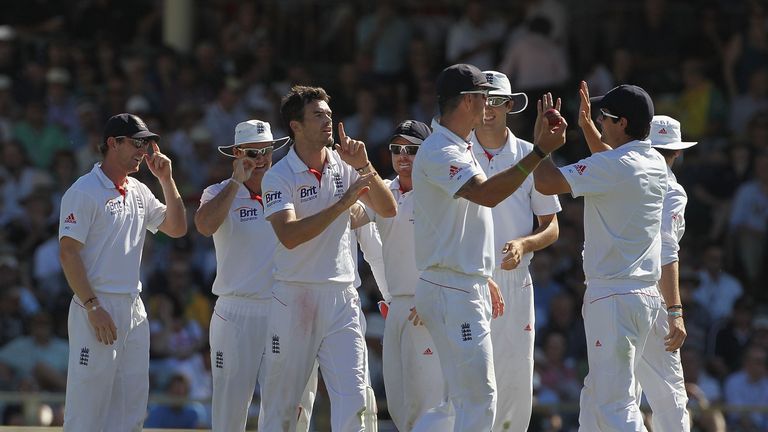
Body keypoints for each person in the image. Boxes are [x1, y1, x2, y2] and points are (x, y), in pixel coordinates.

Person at [410, 63, 566, 431]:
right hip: (455, 286)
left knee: (476, 398)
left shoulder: (454, 146)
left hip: (469, 282)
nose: (489, 106)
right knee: (476, 399)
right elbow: (487, 195)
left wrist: (484, 276)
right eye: (484, 96)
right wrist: (539, 151)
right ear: (468, 101)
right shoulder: (442, 151)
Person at [258, 85, 397, 432]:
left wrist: (364, 165)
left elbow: (387, 208)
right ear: (296, 126)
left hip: (342, 297)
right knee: (283, 407)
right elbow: (289, 236)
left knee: (355, 399)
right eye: (318, 115)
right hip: (294, 296)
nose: (328, 121)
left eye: (329, 115)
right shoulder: (278, 175)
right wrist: (343, 203)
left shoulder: (345, 164)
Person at [534, 82, 668, 430]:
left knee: (614, 405)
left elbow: (546, 183)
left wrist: (540, 147)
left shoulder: (614, 167)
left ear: (621, 123)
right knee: (596, 397)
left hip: (613, 298)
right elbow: (609, 161)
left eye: (604, 118)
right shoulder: (652, 159)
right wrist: (587, 127)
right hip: (642, 298)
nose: (601, 122)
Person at [58, 113, 187, 431]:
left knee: (131, 410)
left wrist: (167, 181)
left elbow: (177, 227)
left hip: (133, 307)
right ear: (112, 144)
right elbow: (68, 252)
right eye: (137, 142)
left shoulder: (140, 190)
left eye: (146, 143)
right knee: (87, 408)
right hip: (96, 306)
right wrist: (92, 306)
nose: (144, 150)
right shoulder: (84, 190)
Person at [576, 105, 695, 430]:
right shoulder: (667, 187)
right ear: (673, 153)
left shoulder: (629, 173)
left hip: (611, 295)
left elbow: (611, 162)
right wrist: (674, 310)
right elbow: (667, 251)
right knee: (665, 396)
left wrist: (586, 128)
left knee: (605, 392)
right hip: (647, 298)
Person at [194, 119, 314, 432]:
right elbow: (204, 226)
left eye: (267, 151)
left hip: (282, 306)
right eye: (252, 152)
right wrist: (236, 182)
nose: (261, 159)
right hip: (235, 309)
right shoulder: (218, 190)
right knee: (229, 406)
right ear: (236, 153)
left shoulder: (288, 186)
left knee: (286, 404)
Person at [471, 70, 561, 432]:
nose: (488, 109)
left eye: (496, 101)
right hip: (466, 280)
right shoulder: (456, 152)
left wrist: (524, 244)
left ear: (510, 105)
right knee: (468, 378)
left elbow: (551, 225)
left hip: (514, 281)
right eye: (482, 99)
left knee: (514, 380)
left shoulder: (530, 154)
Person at [353, 119, 446, 431]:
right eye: (397, 149)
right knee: (399, 405)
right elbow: (349, 216)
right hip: (396, 308)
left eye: (412, 149)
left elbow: (456, 246)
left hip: (428, 306)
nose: (403, 156)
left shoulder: (440, 191)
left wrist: (432, 292)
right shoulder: (384, 192)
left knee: (429, 406)